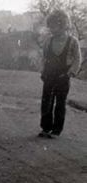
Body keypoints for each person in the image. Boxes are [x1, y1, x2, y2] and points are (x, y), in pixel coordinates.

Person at [39, 9, 82, 138]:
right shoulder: (48, 41)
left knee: (60, 103)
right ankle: (46, 128)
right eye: (50, 26)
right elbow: (43, 57)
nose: (52, 29)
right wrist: (42, 71)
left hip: (64, 76)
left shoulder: (72, 41)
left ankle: (57, 130)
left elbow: (77, 58)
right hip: (49, 75)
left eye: (55, 26)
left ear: (63, 25)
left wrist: (71, 73)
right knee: (46, 102)